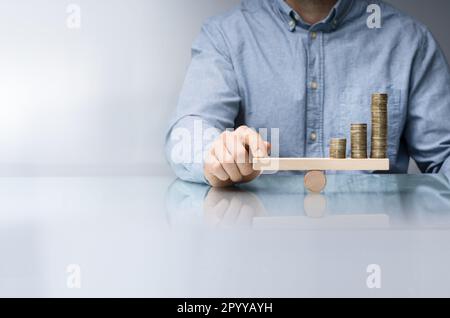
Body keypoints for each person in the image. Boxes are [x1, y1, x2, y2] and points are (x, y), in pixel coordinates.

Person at [165, 0, 450, 187]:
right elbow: (187, 133)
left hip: (370, 252)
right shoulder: (225, 36)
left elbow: (444, 154)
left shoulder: (411, 42)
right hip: (260, 253)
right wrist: (216, 152)